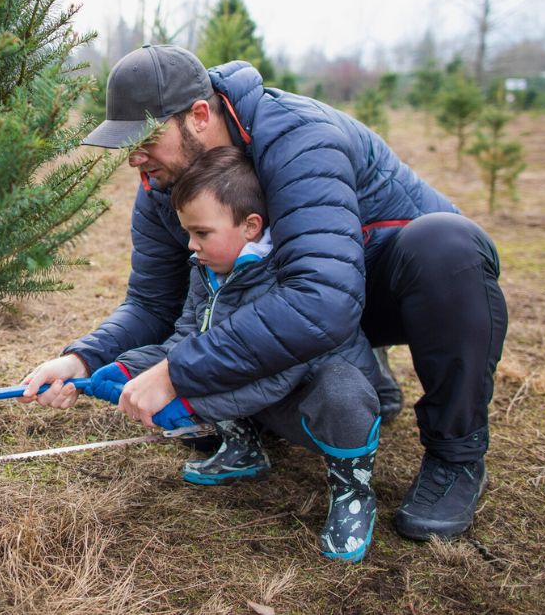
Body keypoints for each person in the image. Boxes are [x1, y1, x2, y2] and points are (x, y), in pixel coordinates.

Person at [22, 44, 507, 542]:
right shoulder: (163, 189)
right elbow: (153, 303)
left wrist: (178, 371)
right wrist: (83, 358)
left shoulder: (300, 138)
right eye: (128, 144)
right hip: (299, 301)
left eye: (146, 138)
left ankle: (456, 455)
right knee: (229, 388)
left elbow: (324, 299)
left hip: (395, 286)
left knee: (446, 245)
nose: (135, 159)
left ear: (200, 115)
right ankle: (356, 383)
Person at [93, 144, 383, 561]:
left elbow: (270, 375)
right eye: (189, 233)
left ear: (250, 226)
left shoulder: (285, 278)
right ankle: (243, 451)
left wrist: (189, 404)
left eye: (202, 233)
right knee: (209, 353)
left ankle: (353, 492)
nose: (191, 246)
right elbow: (186, 344)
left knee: (342, 392)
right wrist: (122, 369)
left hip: (308, 400)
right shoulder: (207, 270)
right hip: (262, 396)